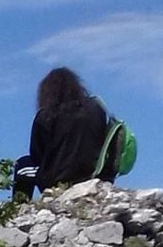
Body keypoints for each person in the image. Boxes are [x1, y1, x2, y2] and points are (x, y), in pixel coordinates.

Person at [14, 67, 118, 200]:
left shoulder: (45, 115)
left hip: (56, 180)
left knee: (22, 165)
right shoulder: (97, 109)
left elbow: (37, 156)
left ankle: (19, 207)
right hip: (93, 175)